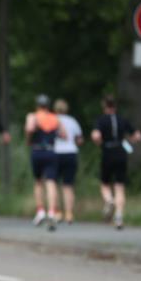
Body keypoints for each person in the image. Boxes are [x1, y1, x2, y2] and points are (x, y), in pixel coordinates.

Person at [91, 95, 141, 230]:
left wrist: (99, 143)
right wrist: (130, 141)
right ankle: (119, 216)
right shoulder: (122, 120)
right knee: (120, 186)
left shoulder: (101, 120)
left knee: (105, 183)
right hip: (121, 151)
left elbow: (96, 136)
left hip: (108, 151)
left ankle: (109, 200)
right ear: (115, 106)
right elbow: (137, 136)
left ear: (104, 106)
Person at [25, 94, 66, 231]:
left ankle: (40, 211)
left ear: (37, 105)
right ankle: (52, 212)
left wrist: (29, 139)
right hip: (51, 151)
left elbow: (30, 129)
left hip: (37, 150)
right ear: (48, 105)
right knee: (51, 182)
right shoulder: (55, 118)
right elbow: (64, 135)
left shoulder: (33, 116)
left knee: (38, 182)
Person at [52, 99, 83, 225]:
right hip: (71, 153)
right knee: (68, 185)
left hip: (55, 153)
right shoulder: (72, 121)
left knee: (53, 184)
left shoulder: (52, 119)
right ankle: (69, 213)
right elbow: (80, 140)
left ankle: (58, 212)